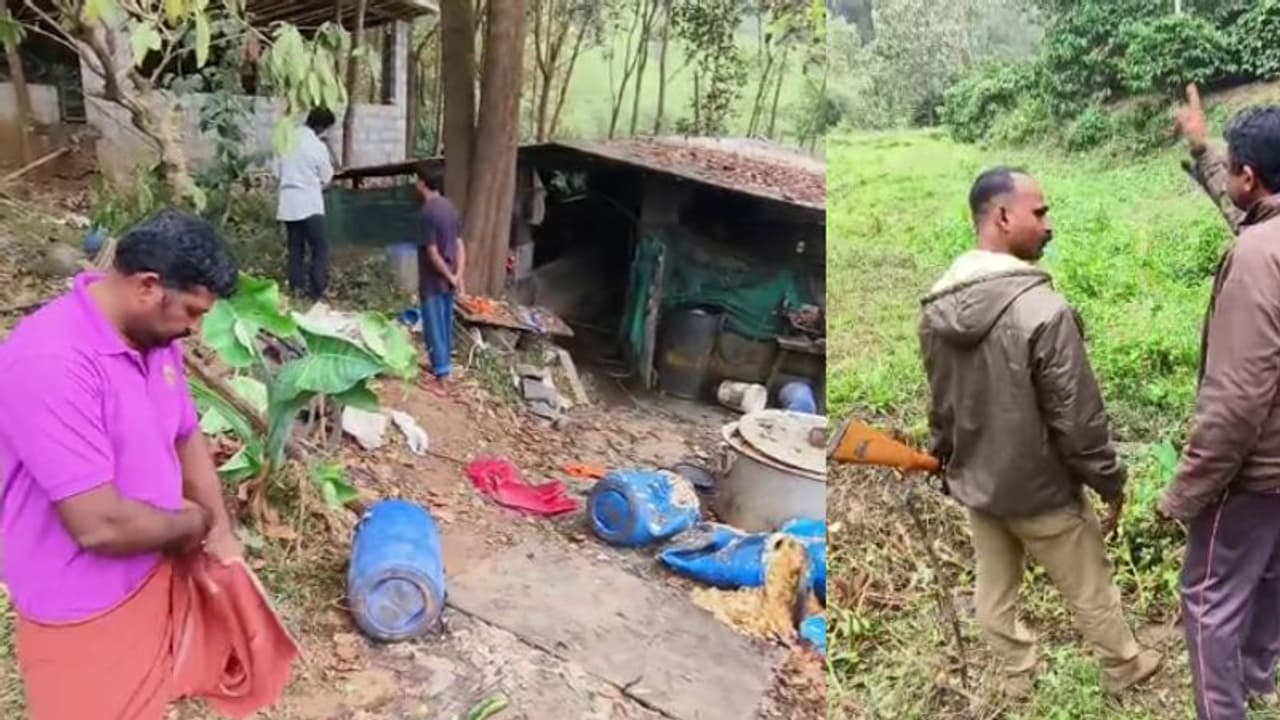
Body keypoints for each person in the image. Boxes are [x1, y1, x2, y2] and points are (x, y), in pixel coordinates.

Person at [918, 167, 1162, 699]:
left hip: (980, 484)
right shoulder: (1043, 309)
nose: (1048, 224)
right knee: (1088, 584)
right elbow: (1077, 418)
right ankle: (1124, 665)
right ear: (1003, 217)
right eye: (1040, 212)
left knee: (994, 591)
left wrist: (946, 460)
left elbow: (943, 404)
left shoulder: (935, 311)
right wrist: (1109, 482)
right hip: (1040, 489)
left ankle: (1015, 677)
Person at [0, 210, 248, 717]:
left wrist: (219, 528)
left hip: (149, 579)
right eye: (193, 312)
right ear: (148, 286)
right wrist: (194, 524)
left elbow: (185, 433)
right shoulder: (53, 361)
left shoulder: (153, 338)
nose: (197, 329)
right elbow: (100, 526)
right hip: (81, 607)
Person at [1164, 93, 1280, 718]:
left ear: (1250, 176)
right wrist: (1202, 146)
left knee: (1208, 595)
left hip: (1255, 473)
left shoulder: (1257, 262)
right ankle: (1259, 678)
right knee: (1272, 576)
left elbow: (1236, 401)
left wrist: (1186, 492)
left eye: (1232, 166)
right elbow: (1251, 218)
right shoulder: (1267, 238)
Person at [274, 107, 336, 300]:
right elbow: (326, 177)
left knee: (295, 248)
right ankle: (316, 290)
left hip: (288, 202)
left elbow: (277, 173)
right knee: (320, 248)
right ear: (320, 126)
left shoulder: (286, 141)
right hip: (309, 203)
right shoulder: (317, 146)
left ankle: (296, 288)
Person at [413, 165, 465, 381]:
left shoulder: (427, 213)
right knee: (445, 322)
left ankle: (442, 373)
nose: (415, 185)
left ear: (423, 183)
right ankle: (445, 367)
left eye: (416, 180)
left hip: (433, 280)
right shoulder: (450, 208)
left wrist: (449, 276)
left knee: (433, 325)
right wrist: (457, 275)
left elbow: (432, 254)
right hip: (450, 276)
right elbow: (460, 244)